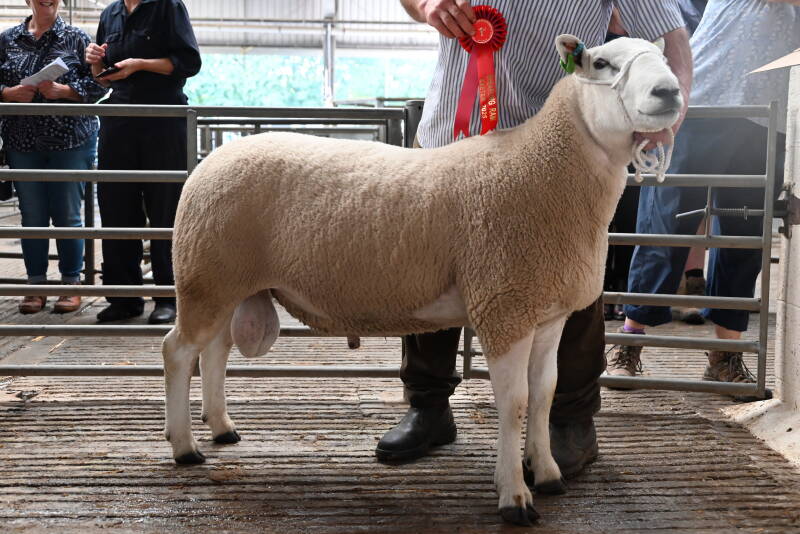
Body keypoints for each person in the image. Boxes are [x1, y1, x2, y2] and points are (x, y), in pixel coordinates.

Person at [379, 0, 691, 479]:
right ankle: (429, 405)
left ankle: (571, 418)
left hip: (552, 147)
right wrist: (425, 6)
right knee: (428, 263)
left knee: (571, 276)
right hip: (451, 127)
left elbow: (671, 34)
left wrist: (673, 109)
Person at [611, 0, 800, 400]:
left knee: (743, 235)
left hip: (769, 110)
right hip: (706, 96)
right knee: (666, 220)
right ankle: (629, 341)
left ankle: (724, 357)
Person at [85, 0, 201, 325]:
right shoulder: (111, 13)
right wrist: (95, 62)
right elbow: (102, 79)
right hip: (119, 114)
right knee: (115, 205)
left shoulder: (168, 7)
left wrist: (140, 63)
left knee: (165, 206)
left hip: (163, 115)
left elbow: (188, 63)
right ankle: (123, 297)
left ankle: (169, 297)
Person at [0, 0, 106, 314]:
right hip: (22, 141)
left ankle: (69, 285)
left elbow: (100, 84)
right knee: (32, 216)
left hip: (71, 140)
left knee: (67, 215)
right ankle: (36, 286)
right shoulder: (6, 40)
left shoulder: (78, 38)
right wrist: (7, 94)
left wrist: (65, 92)